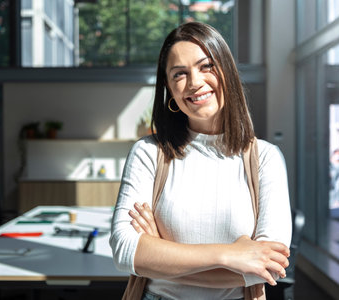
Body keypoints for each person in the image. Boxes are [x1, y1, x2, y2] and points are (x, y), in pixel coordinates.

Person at [110, 22, 292, 300]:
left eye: (206, 66)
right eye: (179, 74)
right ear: (169, 89)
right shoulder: (149, 153)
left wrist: (158, 256)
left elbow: (269, 267)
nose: (195, 82)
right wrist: (230, 254)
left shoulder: (265, 159)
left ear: (227, 73)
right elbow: (125, 251)